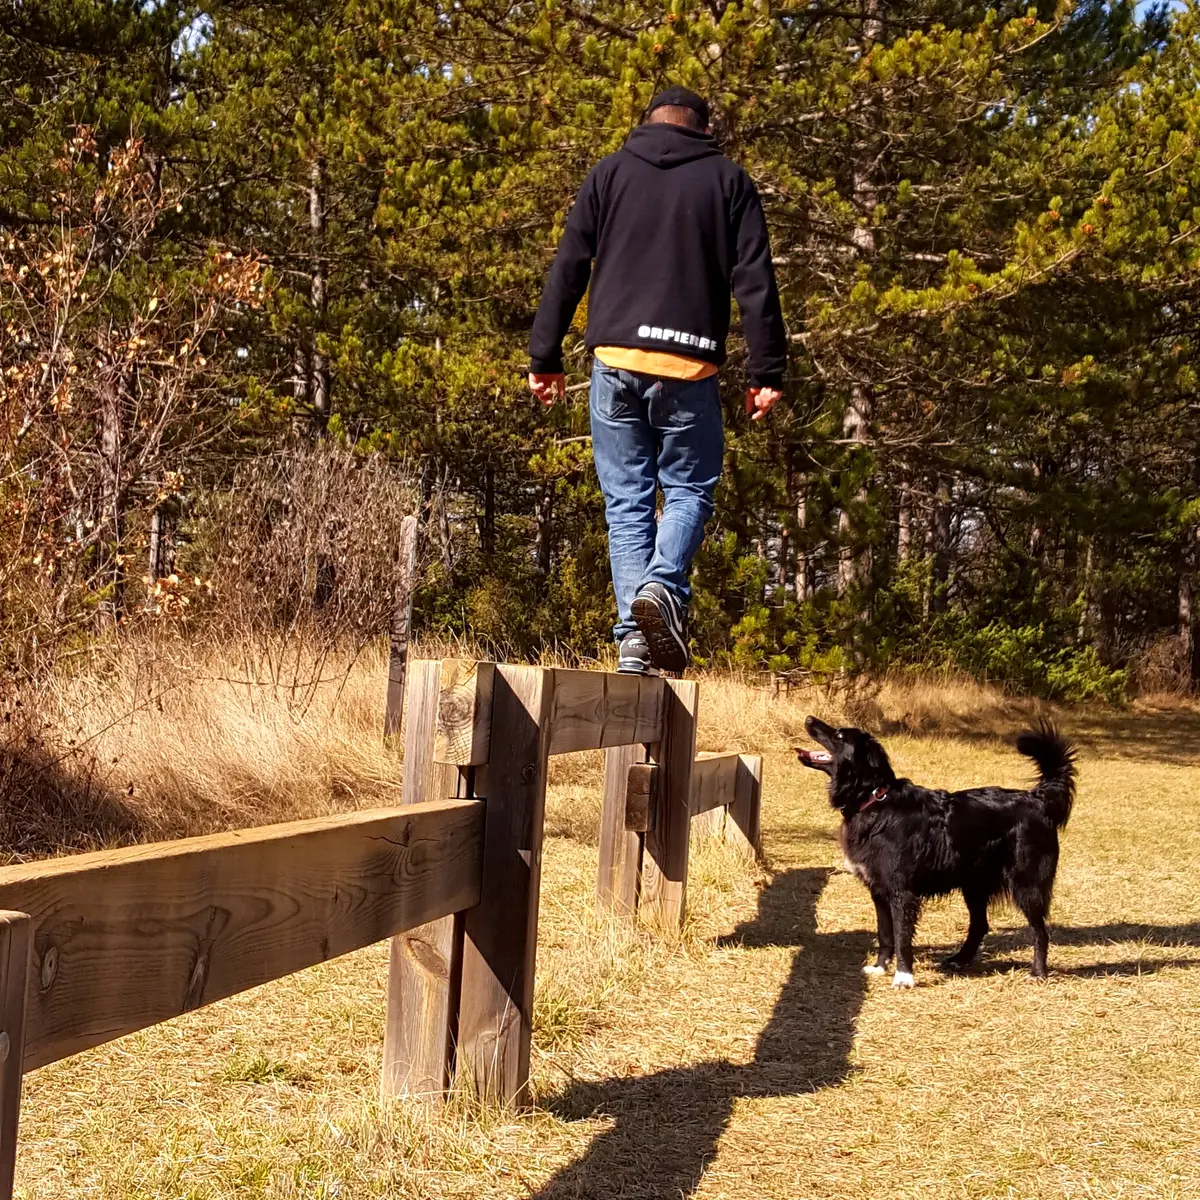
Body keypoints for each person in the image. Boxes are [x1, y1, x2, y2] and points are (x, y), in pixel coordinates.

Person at [528, 86, 786, 676]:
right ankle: (662, 590)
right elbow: (755, 279)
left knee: (627, 507)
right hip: (687, 366)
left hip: (614, 362)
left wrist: (545, 357)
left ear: (648, 123)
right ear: (702, 129)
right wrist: (766, 370)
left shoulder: (610, 173)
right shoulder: (728, 180)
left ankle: (633, 643)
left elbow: (569, 264)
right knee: (690, 491)